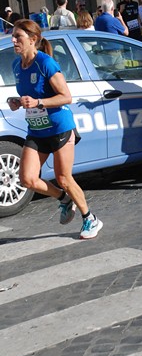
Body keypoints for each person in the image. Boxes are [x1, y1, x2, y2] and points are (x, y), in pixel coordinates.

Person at [7, 19, 102, 239]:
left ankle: (90, 219)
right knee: (27, 179)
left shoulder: (45, 63)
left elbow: (66, 97)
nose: (13, 40)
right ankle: (64, 199)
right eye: (13, 36)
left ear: (33, 40)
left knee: (64, 178)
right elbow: (30, 96)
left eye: (18, 37)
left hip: (59, 127)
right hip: (37, 130)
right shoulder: (16, 65)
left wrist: (39, 102)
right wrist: (19, 102)